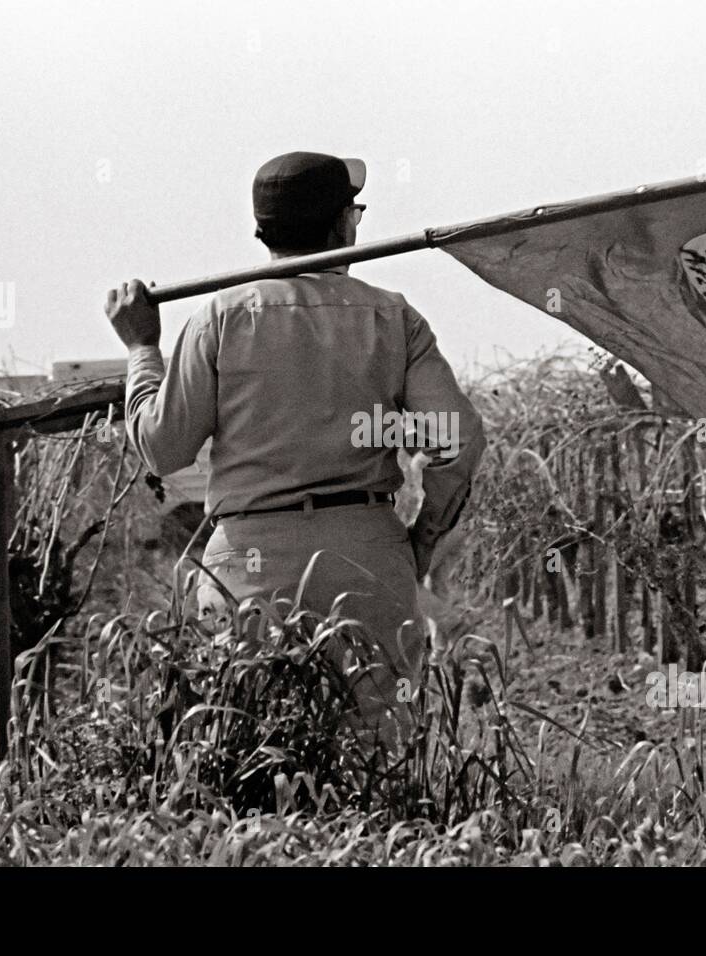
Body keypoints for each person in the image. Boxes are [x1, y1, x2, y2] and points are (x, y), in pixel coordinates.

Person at [106, 151, 486, 744]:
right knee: (377, 755)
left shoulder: (220, 319)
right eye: (354, 211)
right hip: (368, 562)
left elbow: (162, 447)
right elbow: (456, 440)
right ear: (341, 226)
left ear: (263, 232)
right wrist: (421, 542)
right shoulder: (392, 316)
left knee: (250, 753)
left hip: (249, 567)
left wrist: (140, 348)